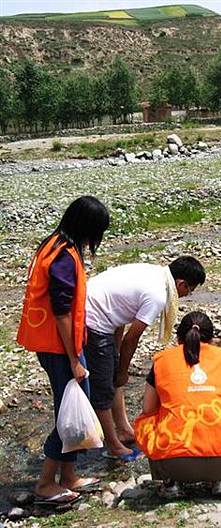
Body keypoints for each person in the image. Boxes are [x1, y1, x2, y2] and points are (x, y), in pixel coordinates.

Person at [17, 196, 110, 506]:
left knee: (73, 406)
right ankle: (45, 483)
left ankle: (69, 476)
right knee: (68, 414)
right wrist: (74, 360)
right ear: (88, 228)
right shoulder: (64, 256)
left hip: (54, 344)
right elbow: (61, 312)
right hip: (59, 348)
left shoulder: (54, 244)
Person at [84, 256, 205, 461]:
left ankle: (123, 429)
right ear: (181, 284)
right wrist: (123, 371)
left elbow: (120, 308)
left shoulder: (154, 272)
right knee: (104, 387)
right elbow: (131, 339)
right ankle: (114, 445)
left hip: (96, 308)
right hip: (91, 319)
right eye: (189, 290)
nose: (187, 295)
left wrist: (116, 356)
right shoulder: (158, 294)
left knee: (112, 375)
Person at [134, 310, 221, 498]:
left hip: (174, 463)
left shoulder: (162, 361)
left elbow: (148, 409)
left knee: (146, 419)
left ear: (180, 338)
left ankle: (171, 482)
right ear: (211, 339)